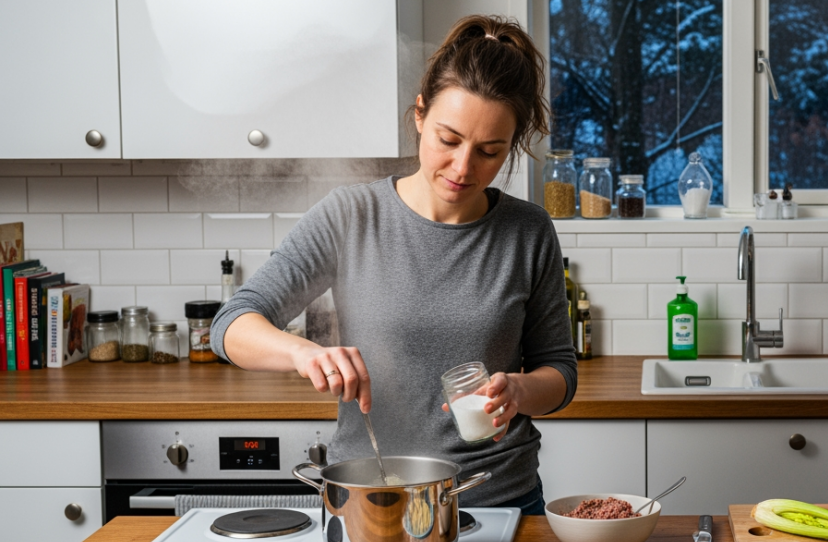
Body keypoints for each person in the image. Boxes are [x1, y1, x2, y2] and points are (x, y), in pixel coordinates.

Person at [211, 15, 576, 515]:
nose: (464, 167)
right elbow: (231, 325)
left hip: (500, 502)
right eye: (448, 140)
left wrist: (519, 390)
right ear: (420, 115)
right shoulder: (351, 215)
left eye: (490, 152)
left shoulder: (527, 231)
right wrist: (303, 354)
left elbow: (559, 371)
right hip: (372, 502)